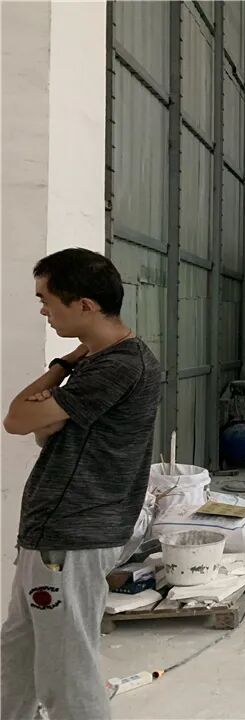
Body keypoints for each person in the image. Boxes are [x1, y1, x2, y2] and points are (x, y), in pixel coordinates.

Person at [1, 248, 161, 720]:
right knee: (19, 655)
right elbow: (39, 427)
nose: (43, 311)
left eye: (47, 301)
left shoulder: (118, 366)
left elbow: (16, 418)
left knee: (67, 675)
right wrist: (70, 362)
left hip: (72, 535)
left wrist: (63, 367)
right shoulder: (99, 361)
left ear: (85, 305)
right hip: (53, 531)